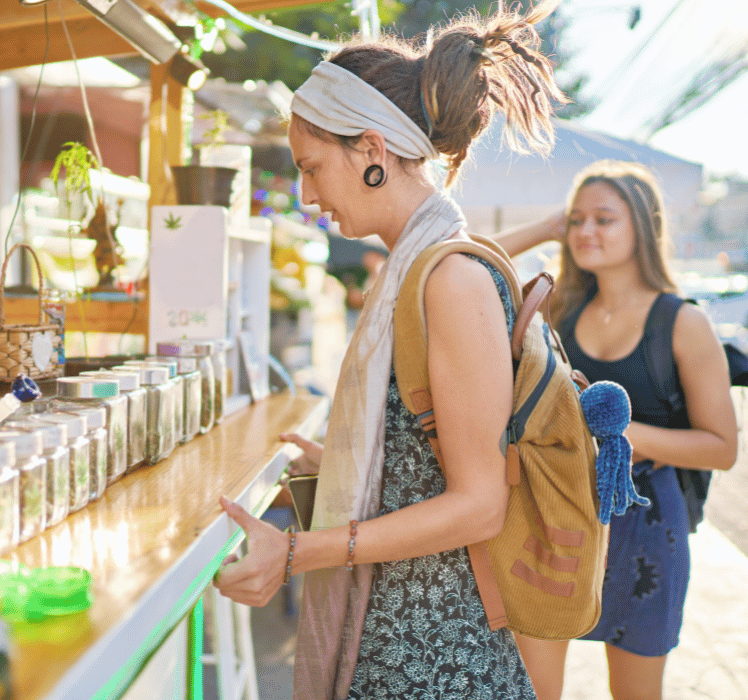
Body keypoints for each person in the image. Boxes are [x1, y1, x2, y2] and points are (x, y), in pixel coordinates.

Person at [212, 3, 567, 698]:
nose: (308, 195)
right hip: (402, 645)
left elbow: (479, 505)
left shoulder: (450, 279)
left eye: (313, 168)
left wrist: (297, 552)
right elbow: (438, 458)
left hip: (438, 661)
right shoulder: (414, 268)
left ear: (373, 152)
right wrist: (352, 463)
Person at [493, 160, 738, 700]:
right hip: (553, 514)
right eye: (575, 219)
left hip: (647, 526)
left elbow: (722, 449)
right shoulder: (554, 307)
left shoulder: (684, 323)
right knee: (531, 692)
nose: (584, 232)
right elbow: (472, 268)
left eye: (604, 219)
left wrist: (618, 438)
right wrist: (542, 228)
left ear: (643, 228)